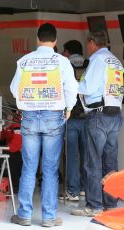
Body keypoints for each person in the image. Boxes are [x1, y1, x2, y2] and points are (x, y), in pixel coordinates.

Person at [10, 23, 78, 227]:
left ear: (37, 39)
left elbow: (14, 89)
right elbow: (71, 88)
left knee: (29, 168)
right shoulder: (62, 62)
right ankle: (49, 218)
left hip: (30, 116)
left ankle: (24, 215)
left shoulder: (24, 61)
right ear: (55, 41)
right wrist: (68, 108)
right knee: (50, 169)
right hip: (53, 117)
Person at [71, 31, 123, 217]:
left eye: (88, 43)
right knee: (110, 162)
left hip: (98, 115)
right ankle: (110, 202)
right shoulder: (115, 61)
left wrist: (75, 85)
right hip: (115, 114)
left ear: (93, 43)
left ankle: (94, 205)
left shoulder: (97, 59)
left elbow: (89, 87)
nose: (88, 47)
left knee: (93, 161)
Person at [59, 40, 88, 201]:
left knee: (71, 155)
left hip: (70, 115)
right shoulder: (89, 63)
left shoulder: (64, 64)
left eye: (64, 51)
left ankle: (72, 191)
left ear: (68, 52)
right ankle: (84, 188)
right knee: (86, 154)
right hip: (87, 115)